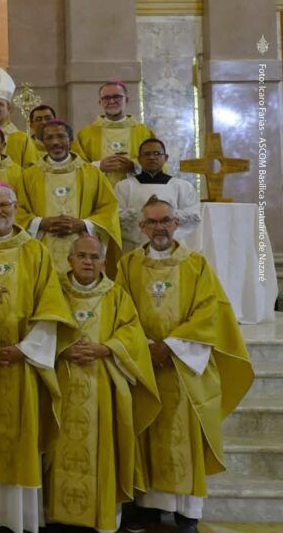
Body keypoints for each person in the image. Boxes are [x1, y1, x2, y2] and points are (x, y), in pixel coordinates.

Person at [116, 196, 253, 533]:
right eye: (152, 222)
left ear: (176, 223)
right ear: (142, 227)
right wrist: (146, 347)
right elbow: (119, 309)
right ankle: (147, 506)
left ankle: (187, 512)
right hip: (145, 362)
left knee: (186, 434)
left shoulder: (197, 264)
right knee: (146, 429)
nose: (159, 227)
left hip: (185, 365)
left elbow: (210, 312)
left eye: (165, 220)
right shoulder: (128, 265)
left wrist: (171, 347)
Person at [0, 182, 74, 533]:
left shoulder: (35, 252)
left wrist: (24, 349)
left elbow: (51, 306)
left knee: (18, 439)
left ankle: (14, 518)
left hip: (20, 362)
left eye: (3, 206)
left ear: (15, 206)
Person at [46, 234, 159, 532]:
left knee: (102, 449)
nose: (87, 261)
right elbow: (39, 328)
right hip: (60, 384)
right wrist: (62, 349)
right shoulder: (53, 291)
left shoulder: (116, 295)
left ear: (104, 262)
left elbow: (131, 334)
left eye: (94, 257)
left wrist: (107, 348)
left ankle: (101, 516)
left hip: (103, 387)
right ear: (69, 259)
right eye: (81, 256)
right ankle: (55, 516)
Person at [17, 119, 121, 275]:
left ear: (70, 140)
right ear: (42, 142)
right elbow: (17, 210)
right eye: (49, 138)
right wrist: (40, 223)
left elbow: (109, 208)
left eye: (61, 136)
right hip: (42, 251)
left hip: (85, 252)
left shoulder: (91, 173)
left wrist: (83, 224)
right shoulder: (29, 176)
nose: (56, 142)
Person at [115, 138, 200, 252]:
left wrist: (164, 213)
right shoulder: (123, 186)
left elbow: (193, 217)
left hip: (172, 248)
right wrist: (142, 211)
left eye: (157, 153)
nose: (152, 157)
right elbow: (115, 219)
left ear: (165, 158)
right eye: (147, 154)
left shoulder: (183, 186)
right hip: (135, 249)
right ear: (139, 159)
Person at [73, 82, 155, 186]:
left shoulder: (144, 132)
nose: (111, 101)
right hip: (100, 192)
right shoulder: (85, 134)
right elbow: (75, 166)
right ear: (100, 102)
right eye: (106, 98)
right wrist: (99, 166)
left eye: (117, 96)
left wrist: (134, 166)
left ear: (127, 100)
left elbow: (159, 163)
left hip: (136, 192)